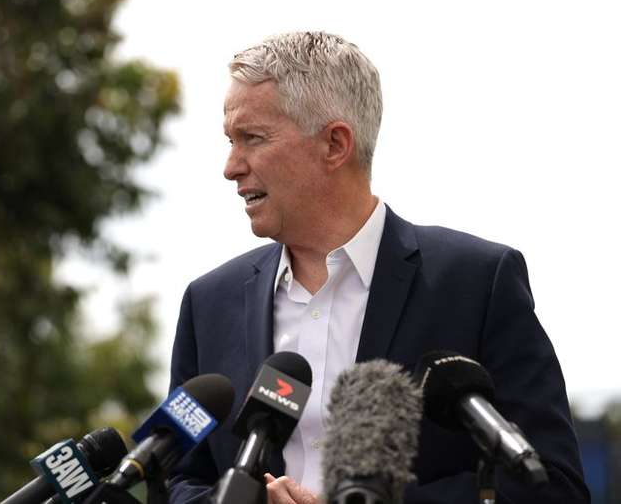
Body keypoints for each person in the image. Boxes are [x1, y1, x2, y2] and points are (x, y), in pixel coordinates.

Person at [168, 31, 588, 503]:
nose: (231, 166)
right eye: (230, 140)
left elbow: (551, 483)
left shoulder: (478, 282)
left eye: (252, 139)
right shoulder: (209, 303)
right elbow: (179, 480)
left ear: (334, 144)